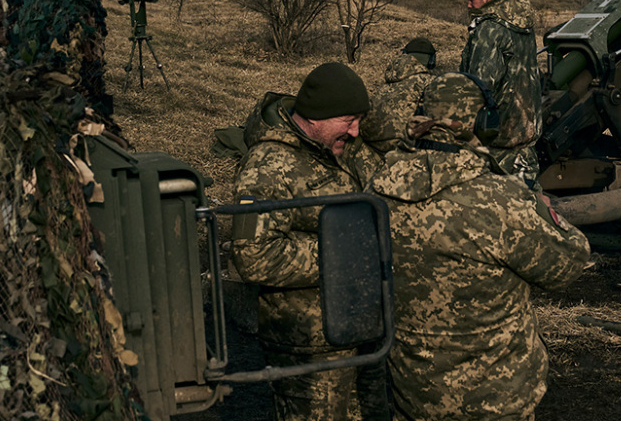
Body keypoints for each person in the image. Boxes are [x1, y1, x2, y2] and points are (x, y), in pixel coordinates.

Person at [368, 72, 591, 421]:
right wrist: (541, 209)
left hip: (412, 397)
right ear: (483, 124)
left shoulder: (375, 192)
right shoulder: (500, 201)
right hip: (497, 401)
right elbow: (568, 263)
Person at [230, 62, 390, 421]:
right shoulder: (268, 166)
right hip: (311, 345)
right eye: (348, 120)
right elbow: (254, 255)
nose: (356, 130)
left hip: (365, 329)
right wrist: (345, 254)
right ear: (317, 116)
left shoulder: (344, 148)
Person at [459, 0, 543, 185]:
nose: (468, 5)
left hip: (498, 138)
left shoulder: (489, 29)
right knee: (530, 205)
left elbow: (480, 84)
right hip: (525, 134)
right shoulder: (522, 26)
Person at [362, 36, 437, 154]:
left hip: (375, 148)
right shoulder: (431, 83)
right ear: (431, 61)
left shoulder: (386, 84)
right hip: (405, 150)